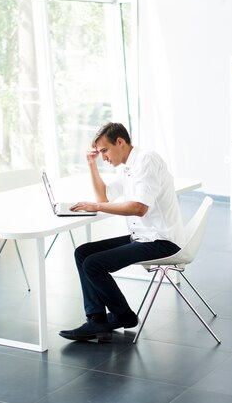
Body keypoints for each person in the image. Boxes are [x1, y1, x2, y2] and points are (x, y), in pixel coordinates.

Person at [59, 122, 185, 342]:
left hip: (162, 241)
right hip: (144, 236)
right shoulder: (128, 166)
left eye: (105, 151)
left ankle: (123, 315)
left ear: (120, 142)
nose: (104, 157)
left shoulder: (146, 160)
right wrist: (92, 165)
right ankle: (96, 320)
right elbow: (104, 197)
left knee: (93, 264)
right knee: (83, 253)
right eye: (100, 153)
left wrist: (96, 207)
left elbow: (138, 208)